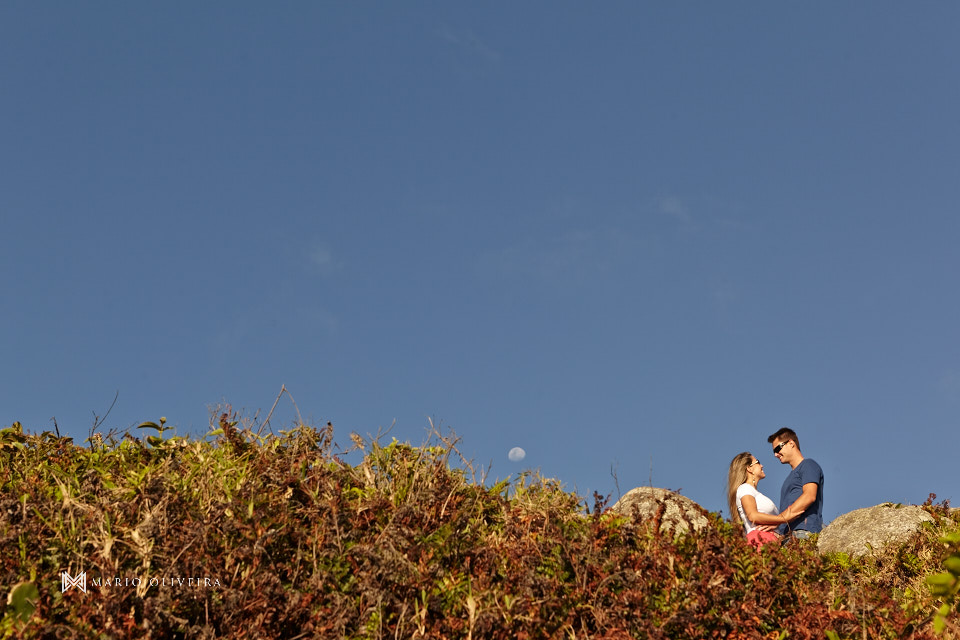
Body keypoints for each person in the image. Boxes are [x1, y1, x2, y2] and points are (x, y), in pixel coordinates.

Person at [767, 427, 824, 539]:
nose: (776, 454)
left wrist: (778, 520)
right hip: (788, 536)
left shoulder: (808, 465)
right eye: (774, 451)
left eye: (777, 449)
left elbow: (809, 496)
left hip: (802, 532)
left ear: (791, 443)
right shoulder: (789, 478)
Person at [727, 452, 789, 549]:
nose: (762, 465)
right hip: (760, 540)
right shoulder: (745, 489)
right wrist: (783, 519)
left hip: (770, 541)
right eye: (758, 462)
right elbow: (753, 515)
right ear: (749, 468)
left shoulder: (752, 492)